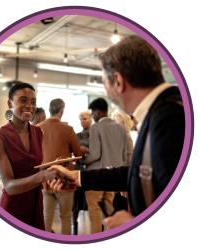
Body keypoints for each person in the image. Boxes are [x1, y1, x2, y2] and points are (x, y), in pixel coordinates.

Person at [47, 35, 185, 230]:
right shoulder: (162, 112)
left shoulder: (171, 117)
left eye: (104, 82)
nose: (106, 91)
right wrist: (76, 177)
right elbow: (135, 171)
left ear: (118, 81)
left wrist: (134, 225)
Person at [0, 83, 74, 229]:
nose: (29, 106)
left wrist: (52, 166)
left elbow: (33, 170)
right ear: (10, 103)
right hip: (12, 209)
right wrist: (44, 176)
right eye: (23, 100)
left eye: (33, 102)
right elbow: (9, 186)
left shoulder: (38, 133)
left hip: (36, 204)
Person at [77, 97, 127, 234]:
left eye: (92, 114)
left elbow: (95, 155)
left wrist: (80, 161)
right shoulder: (121, 129)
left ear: (98, 112)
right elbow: (123, 157)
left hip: (96, 176)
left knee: (94, 215)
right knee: (109, 213)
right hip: (113, 177)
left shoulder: (96, 127)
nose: (92, 117)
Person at [37, 98, 87, 235]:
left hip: (46, 179)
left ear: (49, 110)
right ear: (62, 111)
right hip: (65, 179)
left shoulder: (39, 128)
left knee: (46, 216)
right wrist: (83, 149)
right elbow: (77, 154)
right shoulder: (68, 129)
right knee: (65, 217)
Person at [72, 110, 92, 235]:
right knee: (76, 201)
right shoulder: (76, 135)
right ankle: (75, 226)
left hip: (91, 169)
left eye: (84, 118)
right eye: (80, 119)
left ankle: (96, 228)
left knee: (92, 201)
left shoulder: (96, 134)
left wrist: (84, 150)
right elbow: (74, 152)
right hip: (78, 169)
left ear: (91, 119)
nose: (82, 121)